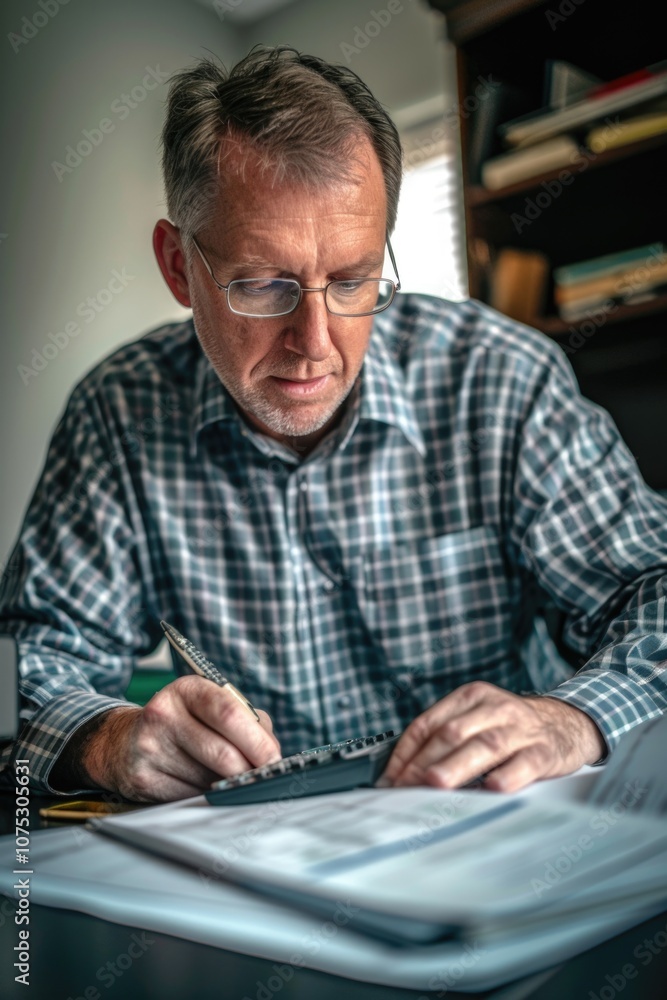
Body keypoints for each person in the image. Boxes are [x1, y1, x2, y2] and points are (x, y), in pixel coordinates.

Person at [1, 46, 665, 803]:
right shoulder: (117, 414)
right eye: (262, 284)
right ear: (179, 266)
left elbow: (654, 588)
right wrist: (104, 737)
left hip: (490, 832)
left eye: (351, 280)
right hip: (245, 867)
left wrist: (571, 719)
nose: (316, 343)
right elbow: (33, 656)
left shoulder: (501, 381)